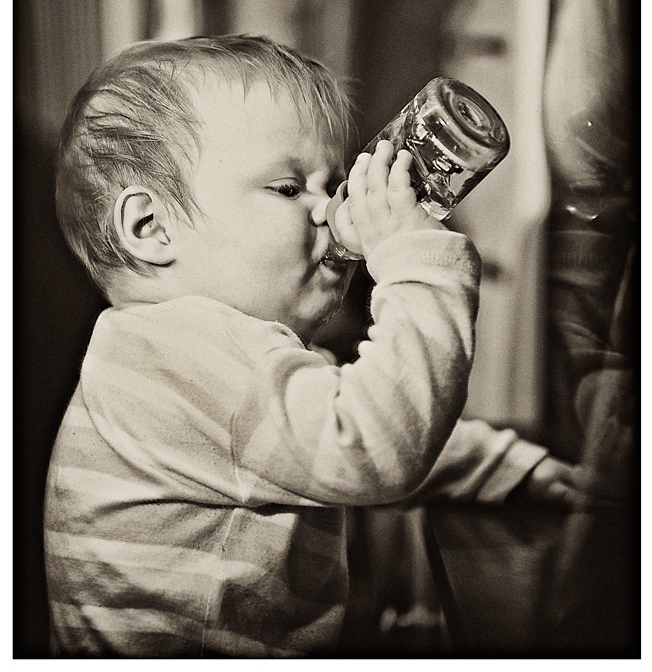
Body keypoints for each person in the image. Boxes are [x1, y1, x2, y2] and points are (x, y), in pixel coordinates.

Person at [44, 34, 579, 659]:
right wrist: (418, 265)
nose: (329, 211)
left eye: (332, 184)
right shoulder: (175, 354)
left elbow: (343, 424)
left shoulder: (196, 358)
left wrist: (509, 468)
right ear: (151, 227)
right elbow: (372, 444)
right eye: (288, 188)